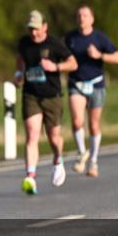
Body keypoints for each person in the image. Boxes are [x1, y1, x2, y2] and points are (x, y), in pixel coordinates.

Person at [14, 10, 77, 195]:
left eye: (36, 29)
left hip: (52, 95)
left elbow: (73, 63)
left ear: (45, 27)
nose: (33, 33)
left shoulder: (54, 44)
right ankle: (30, 178)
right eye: (30, 29)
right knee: (32, 135)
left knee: (53, 137)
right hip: (31, 94)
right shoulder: (24, 43)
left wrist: (55, 66)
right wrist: (18, 74)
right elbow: (20, 59)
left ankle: (58, 160)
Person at [65, 5, 118, 178]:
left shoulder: (100, 38)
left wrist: (100, 55)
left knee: (94, 124)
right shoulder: (70, 38)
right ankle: (82, 153)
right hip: (76, 83)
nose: (82, 18)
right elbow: (61, 55)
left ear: (92, 19)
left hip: (96, 84)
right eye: (79, 15)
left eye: (85, 15)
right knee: (76, 121)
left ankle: (94, 161)